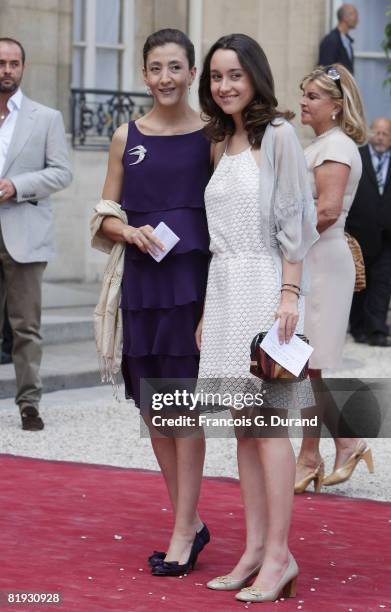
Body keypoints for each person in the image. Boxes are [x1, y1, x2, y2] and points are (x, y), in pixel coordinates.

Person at [197, 34, 318, 603]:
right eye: (217, 76)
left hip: (268, 286)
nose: (225, 86)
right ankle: (252, 549)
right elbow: (217, 237)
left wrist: (289, 294)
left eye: (235, 76)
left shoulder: (280, 135)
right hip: (224, 291)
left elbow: (297, 217)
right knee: (243, 430)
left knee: (270, 429)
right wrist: (205, 311)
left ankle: (279, 556)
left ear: (256, 78)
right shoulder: (221, 140)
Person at [94, 29, 211, 577]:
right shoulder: (125, 136)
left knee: (185, 410)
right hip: (141, 289)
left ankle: (183, 528)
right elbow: (105, 209)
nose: (166, 77)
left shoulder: (211, 136)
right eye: (156, 67)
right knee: (154, 409)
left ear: (191, 73)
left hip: (191, 287)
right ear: (144, 74)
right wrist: (126, 231)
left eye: (176, 67)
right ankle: (186, 519)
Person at [295, 64, 373, 492]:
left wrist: (287, 245)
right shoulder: (325, 143)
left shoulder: (337, 147)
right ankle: (320, 452)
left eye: (312, 96)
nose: (303, 101)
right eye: (303, 94)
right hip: (315, 258)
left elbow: (326, 213)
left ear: (336, 106)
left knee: (307, 365)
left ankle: (339, 444)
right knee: (308, 366)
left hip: (321, 259)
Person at [0, 37, 72, 430]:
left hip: (24, 233)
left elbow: (62, 172)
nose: (7, 70)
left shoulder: (45, 117)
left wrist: (16, 185)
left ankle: (29, 403)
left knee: (25, 325)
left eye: (13, 63)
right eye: (1, 62)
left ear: (23, 68)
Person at [346, 117, 391, 347]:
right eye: (378, 132)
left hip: (387, 236)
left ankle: (377, 329)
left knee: (382, 283)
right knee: (359, 282)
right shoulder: (358, 157)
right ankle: (358, 327)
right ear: (370, 133)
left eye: (386, 133)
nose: (381, 137)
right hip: (359, 232)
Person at [319, 4, 358, 74]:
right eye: (355, 15)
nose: (357, 19)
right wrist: (339, 84)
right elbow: (327, 69)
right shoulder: (331, 40)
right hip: (335, 85)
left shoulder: (347, 41)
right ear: (345, 17)